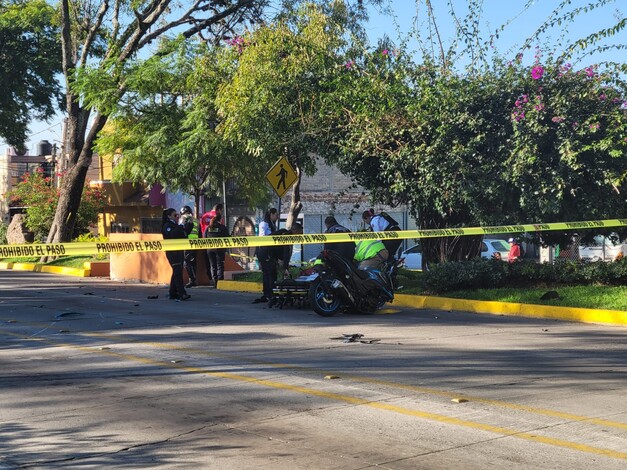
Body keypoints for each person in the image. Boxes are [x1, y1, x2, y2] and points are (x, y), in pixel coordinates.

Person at [161, 208, 190, 301]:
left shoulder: (176, 225)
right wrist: (181, 224)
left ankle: (172, 293)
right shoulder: (167, 226)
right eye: (175, 215)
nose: (177, 217)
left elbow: (185, 234)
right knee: (177, 272)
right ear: (169, 216)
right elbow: (173, 235)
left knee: (177, 271)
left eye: (178, 215)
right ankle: (182, 293)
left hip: (179, 251)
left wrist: (188, 223)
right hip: (172, 252)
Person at [253, 208, 279, 303]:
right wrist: (275, 234)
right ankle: (267, 293)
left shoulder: (272, 224)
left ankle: (271, 292)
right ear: (271, 214)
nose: (277, 217)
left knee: (272, 273)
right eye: (276, 215)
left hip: (271, 252)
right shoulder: (264, 224)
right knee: (267, 273)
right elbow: (263, 238)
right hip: (264, 251)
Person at [204, 210, 229, 288]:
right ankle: (220, 282)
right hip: (219, 249)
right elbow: (228, 238)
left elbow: (204, 237)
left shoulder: (208, 227)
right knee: (220, 265)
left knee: (213, 265)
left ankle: (215, 282)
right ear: (220, 219)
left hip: (209, 249)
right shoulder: (222, 227)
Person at [179, 205, 200, 288]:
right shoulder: (196, 220)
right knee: (193, 262)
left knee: (186, 262)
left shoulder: (184, 218)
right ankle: (194, 280)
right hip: (196, 243)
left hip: (187, 242)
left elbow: (181, 230)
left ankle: (192, 279)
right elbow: (200, 232)